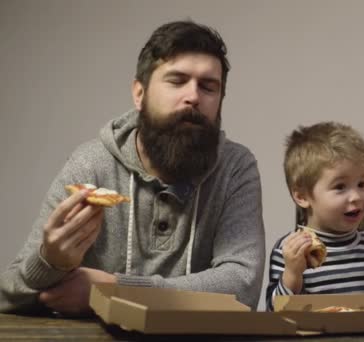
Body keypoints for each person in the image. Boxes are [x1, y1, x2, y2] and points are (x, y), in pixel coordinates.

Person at [0, 20, 265, 315]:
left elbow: (242, 288)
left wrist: (115, 290)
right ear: (139, 94)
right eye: (177, 81)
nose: (193, 96)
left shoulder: (236, 168)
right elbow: (7, 295)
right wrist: (50, 262)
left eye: (208, 86)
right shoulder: (91, 164)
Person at [265, 122, 364, 311]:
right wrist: (292, 273)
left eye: (362, 184)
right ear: (302, 196)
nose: (356, 197)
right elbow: (275, 313)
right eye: (340, 187)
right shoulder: (289, 251)